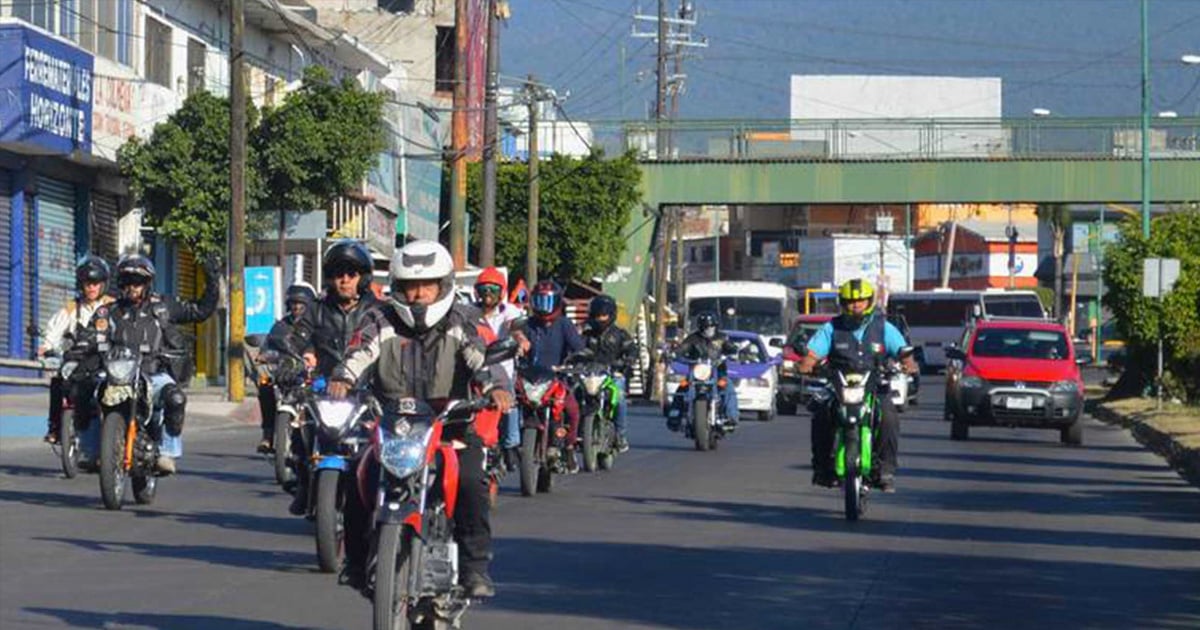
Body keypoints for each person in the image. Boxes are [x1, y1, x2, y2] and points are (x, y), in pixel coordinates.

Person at [329, 240, 512, 598]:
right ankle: (355, 561)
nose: (418, 294)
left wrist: (495, 388)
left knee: (473, 480)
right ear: (397, 286)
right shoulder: (379, 318)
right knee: (355, 477)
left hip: (452, 426)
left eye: (426, 285)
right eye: (410, 286)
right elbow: (359, 351)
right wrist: (342, 378)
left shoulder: (463, 320)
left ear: (442, 285)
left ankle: (475, 569)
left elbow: (482, 359)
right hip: (391, 425)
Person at [281, 240, 381, 514]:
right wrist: (291, 360)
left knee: (381, 443)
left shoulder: (379, 311)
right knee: (305, 432)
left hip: (368, 389)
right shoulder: (317, 309)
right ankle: (304, 484)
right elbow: (295, 339)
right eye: (339, 273)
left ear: (362, 277)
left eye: (351, 273)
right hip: (327, 387)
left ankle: (383, 495)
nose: (345, 279)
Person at [102, 254, 218, 474]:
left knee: (175, 397)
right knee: (86, 390)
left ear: (147, 284)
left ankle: (167, 452)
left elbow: (200, 311)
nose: (132, 287)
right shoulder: (109, 312)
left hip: (153, 375)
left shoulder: (163, 307)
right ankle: (88, 449)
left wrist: (212, 280)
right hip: (116, 375)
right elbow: (92, 337)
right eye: (127, 281)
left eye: (137, 282)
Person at [797, 279, 917, 492]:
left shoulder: (883, 327)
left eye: (860, 301)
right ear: (842, 303)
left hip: (874, 385)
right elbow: (813, 352)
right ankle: (823, 468)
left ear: (869, 302)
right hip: (839, 385)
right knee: (821, 413)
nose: (856, 305)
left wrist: (908, 363)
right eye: (851, 301)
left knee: (889, 417)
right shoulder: (831, 328)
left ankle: (885, 470)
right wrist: (807, 363)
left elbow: (903, 350)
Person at [38, 254, 115, 444]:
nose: (91, 287)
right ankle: (55, 426)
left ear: (103, 284)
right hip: (78, 360)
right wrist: (46, 347)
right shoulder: (72, 307)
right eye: (87, 283)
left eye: (95, 283)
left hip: (107, 360)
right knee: (58, 382)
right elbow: (55, 329)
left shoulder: (113, 306)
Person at [524, 279, 586, 472]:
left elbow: (578, 347)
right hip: (530, 379)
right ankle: (505, 448)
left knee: (573, 410)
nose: (543, 307)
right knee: (508, 407)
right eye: (539, 301)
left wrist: (578, 359)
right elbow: (515, 342)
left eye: (547, 302)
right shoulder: (528, 325)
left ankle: (568, 447)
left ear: (557, 302)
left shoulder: (564, 324)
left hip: (556, 379)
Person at [474, 267, 530, 470]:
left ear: (503, 291)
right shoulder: (468, 312)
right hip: (474, 369)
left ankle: (510, 445)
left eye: (493, 289)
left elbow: (515, 326)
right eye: (484, 289)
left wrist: (520, 339)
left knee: (509, 404)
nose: (488, 294)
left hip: (502, 371)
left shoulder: (509, 311)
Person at [255, 282, 318, 454]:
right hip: (284, 371)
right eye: (293, 303)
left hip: (310, 375)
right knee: (265, 385)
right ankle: (267, 435)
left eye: (301, 304)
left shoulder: (318, 327)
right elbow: (267, 347)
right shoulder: (280, 326)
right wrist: (264, 356)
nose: (297, 307)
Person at [580, 294, 636, 453]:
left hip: (613, 374)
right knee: (574, 395)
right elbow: (575, 348)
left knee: (620, 399)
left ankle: (620, 435)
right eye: (598, 315)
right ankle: (572, 434)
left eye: (604, 315)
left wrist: (629, 360)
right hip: (589, 374)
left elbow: (632, 349)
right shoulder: (586, 334)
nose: (601, 319)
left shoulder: (620, 334)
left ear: (611, 315)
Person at [667, 311, 740, 431]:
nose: (708, 329)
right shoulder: (693, 338)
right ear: (700, 327)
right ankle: (675, 416)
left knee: (728, 387)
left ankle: (731, 417)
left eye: (711, 326)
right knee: (682, 387)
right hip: (697, 373)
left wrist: (733, 351)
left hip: (718, 372)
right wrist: (673, 354)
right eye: (705, 327)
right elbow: (682, 348)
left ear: (715, 326)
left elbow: (730, 347)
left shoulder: (721, 337)